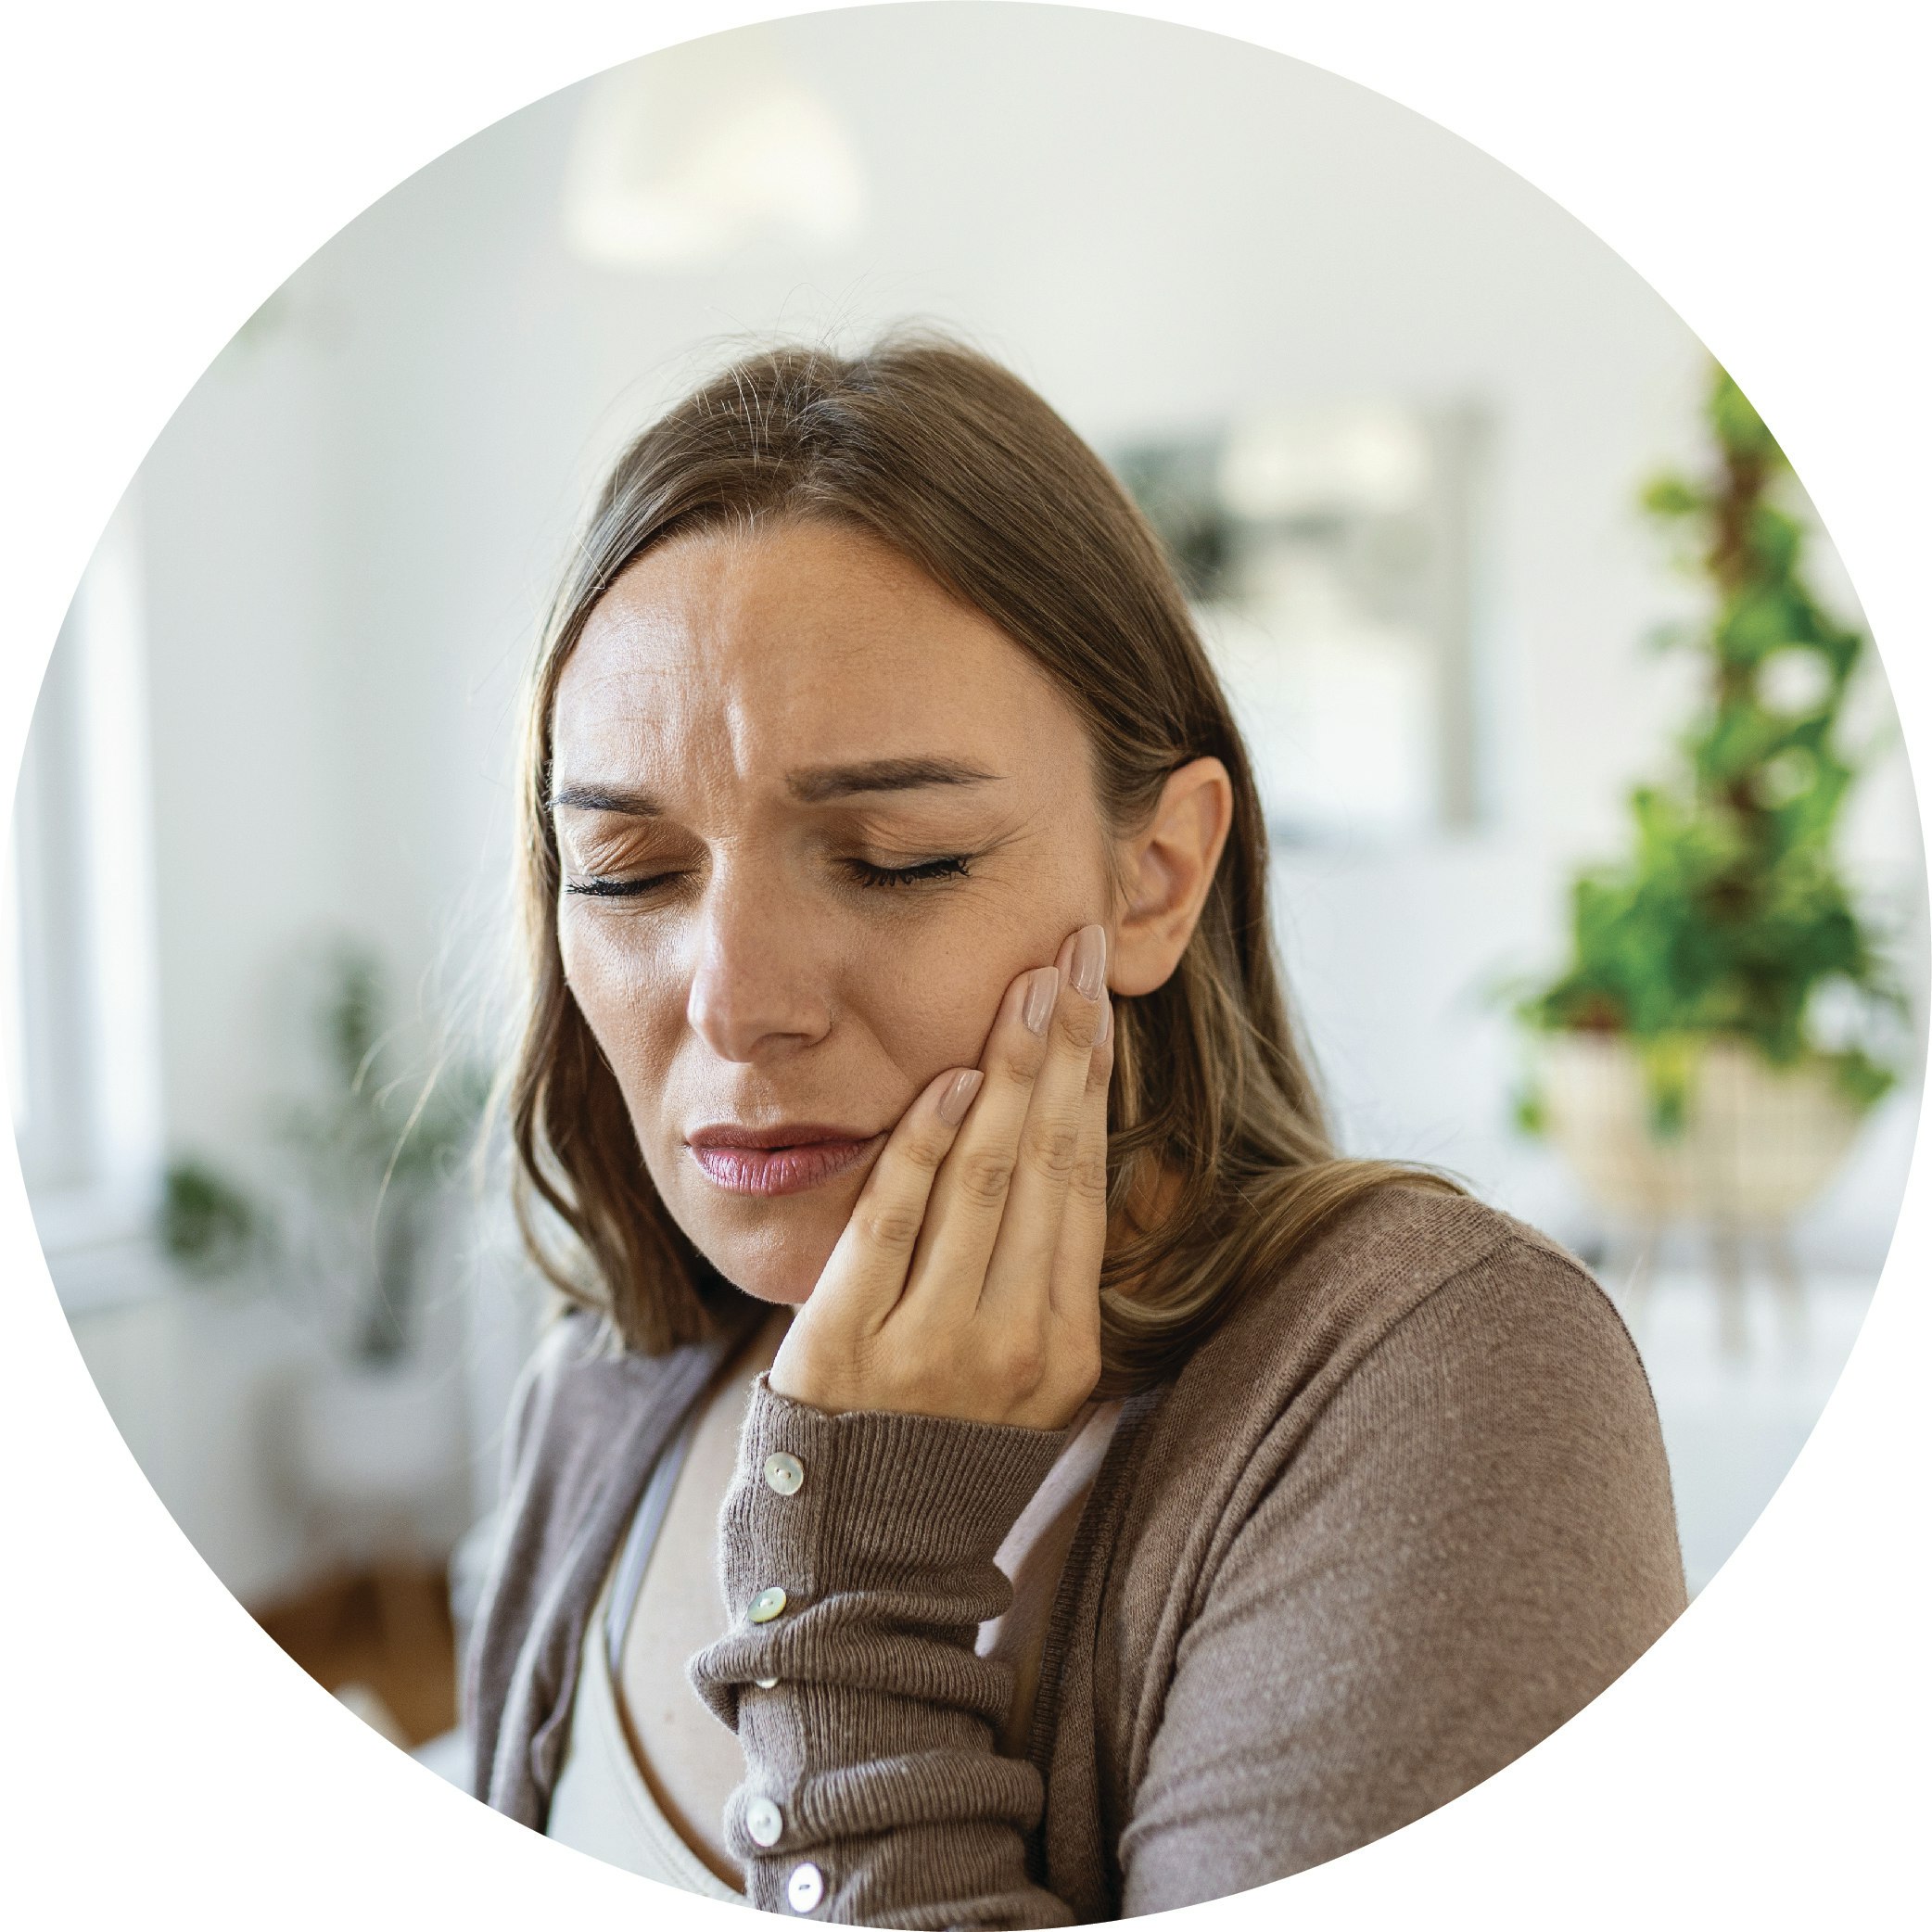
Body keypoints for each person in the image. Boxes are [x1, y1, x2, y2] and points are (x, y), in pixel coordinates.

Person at [465, 334, 1685, 1923]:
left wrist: (859, 1608)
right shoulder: (599, 1394)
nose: (737, 1002)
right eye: (628, 874)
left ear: (1154, 877)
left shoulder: (1442, 1379)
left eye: (896, 857)